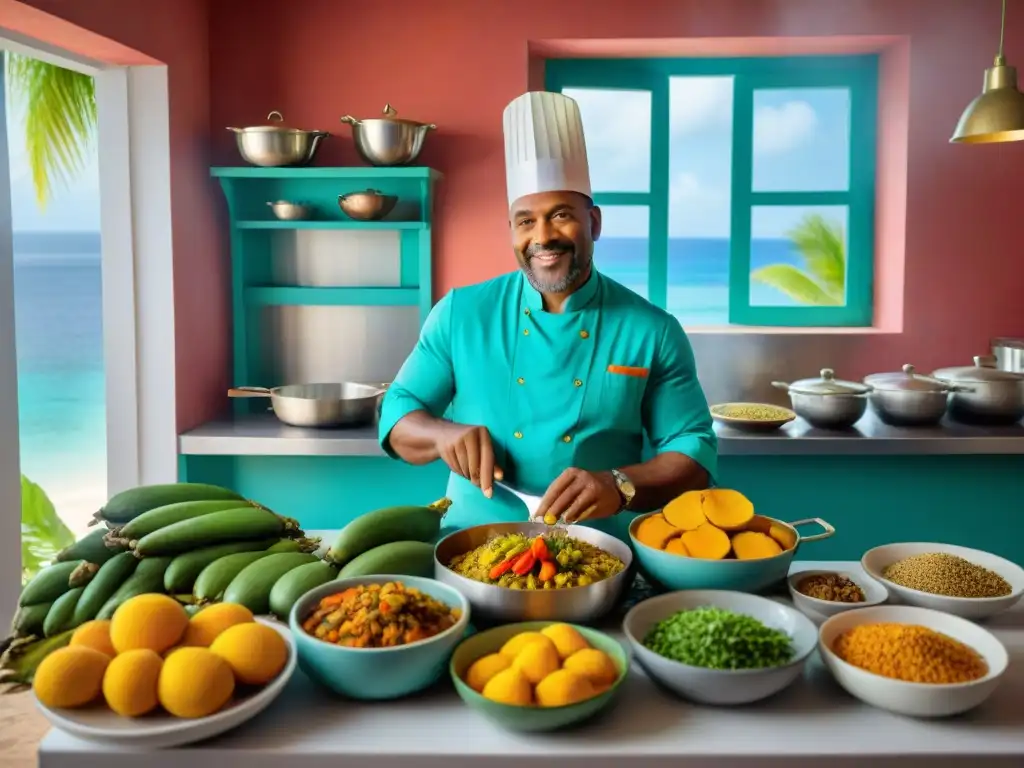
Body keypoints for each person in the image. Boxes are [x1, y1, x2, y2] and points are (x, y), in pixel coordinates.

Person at [377, 90, 717, 543]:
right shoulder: (461, 313)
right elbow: (398, 411)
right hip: (472, 543)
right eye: (525, 221)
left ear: (594, 223)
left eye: (560, 216)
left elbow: (692, 450)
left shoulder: (652, 330)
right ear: (512, 231)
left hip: (599, 552)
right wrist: (440, 434)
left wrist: (619, 484)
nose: (543, 237)